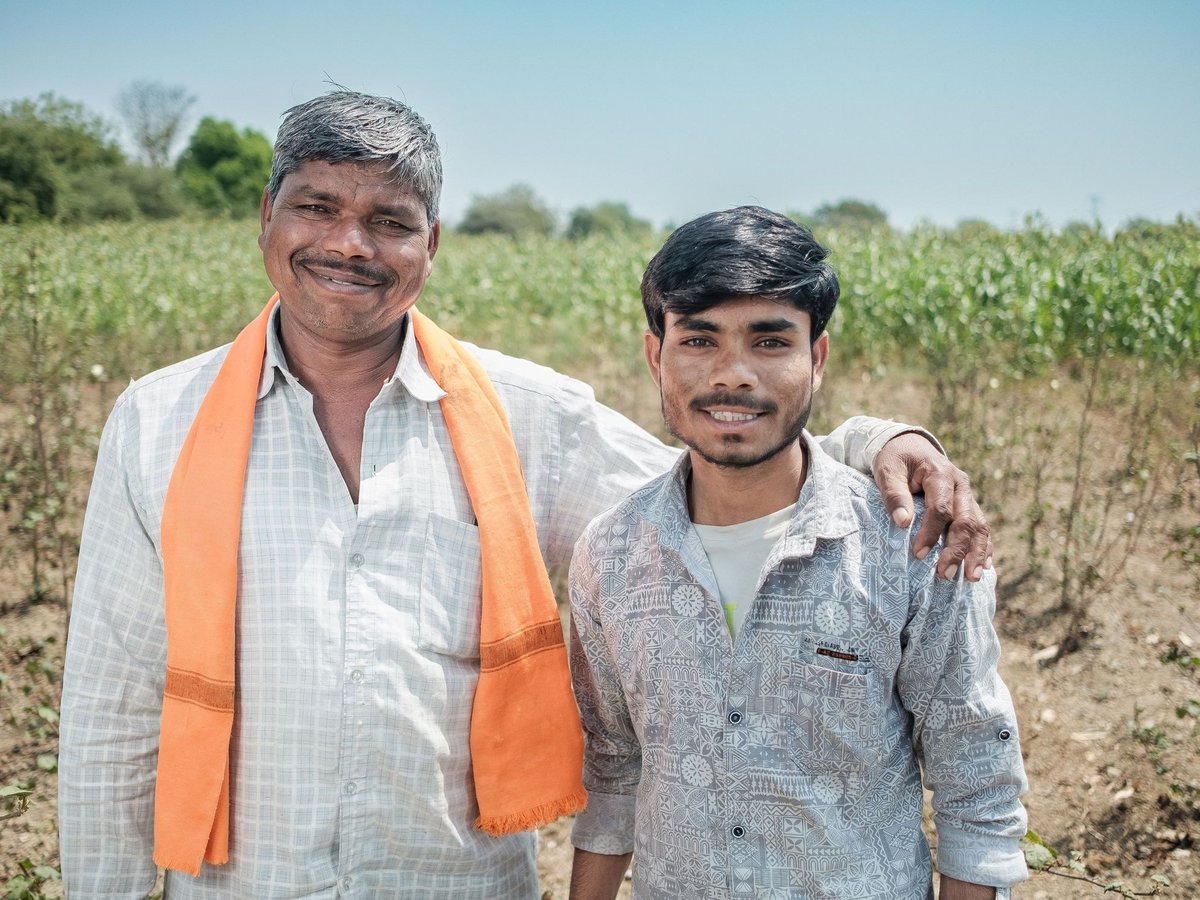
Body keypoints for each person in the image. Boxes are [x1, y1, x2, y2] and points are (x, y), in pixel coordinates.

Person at [58, 92, 991, 899]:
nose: (350, 243)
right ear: (268, 217)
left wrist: (879, 442)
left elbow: (732, 469)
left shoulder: (520, 414)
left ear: (431, 244)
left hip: (452, 883)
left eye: (390, 219)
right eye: (317, 206)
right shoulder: (158, 422)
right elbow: (112, 707)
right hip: (237, 883)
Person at [568, 207, 1027, 899]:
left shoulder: (909, 545)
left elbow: (975, 780)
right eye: (699, 340)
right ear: (655, 355)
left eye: (770, 342)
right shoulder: (611, 553)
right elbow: (613, 768)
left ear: (816, 357)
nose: (734, 375)